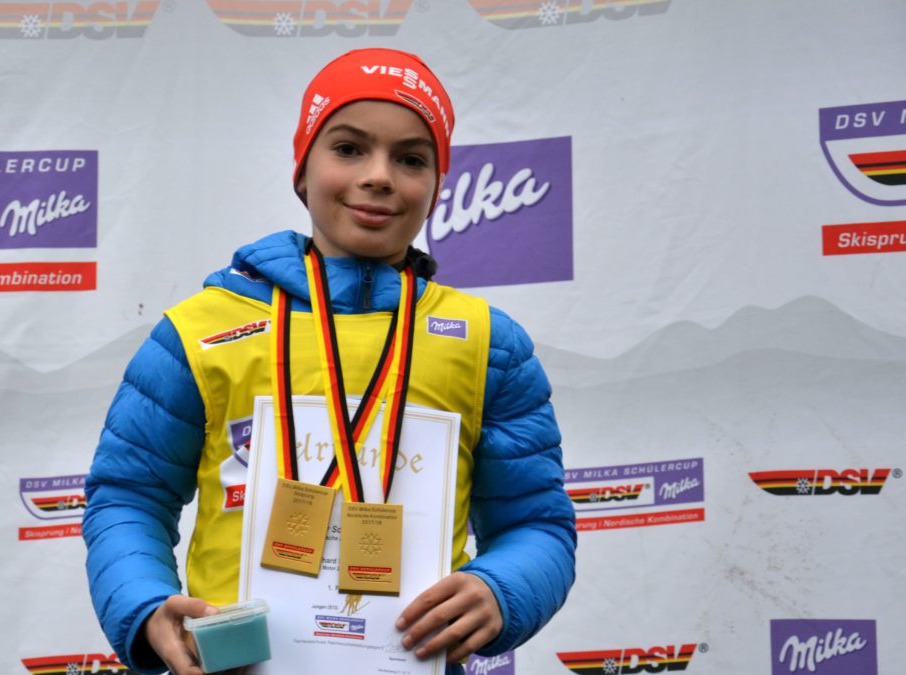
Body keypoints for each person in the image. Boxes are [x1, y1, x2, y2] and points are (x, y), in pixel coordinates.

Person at [83, 48, 576, 675]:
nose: (379, 176)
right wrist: (147, 604)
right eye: (348, 148)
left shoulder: (487, 343)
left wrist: (504, 590)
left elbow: (537, 523)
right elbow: (128, 496)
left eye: (411, 159)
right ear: (302, 170)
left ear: (435, 187)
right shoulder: (201, 329)